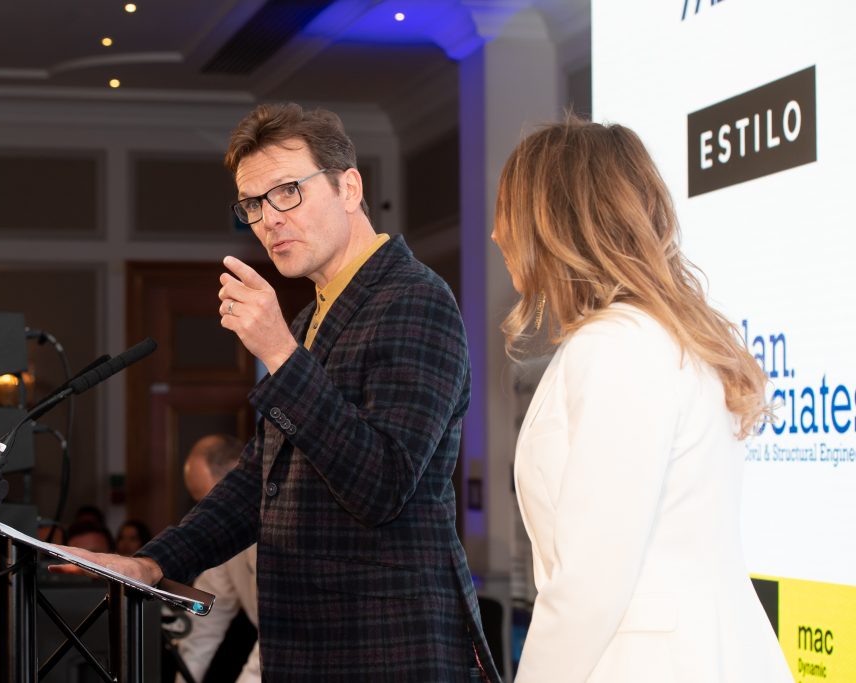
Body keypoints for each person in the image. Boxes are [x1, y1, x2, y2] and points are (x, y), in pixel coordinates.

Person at [52, 102, 500, 681]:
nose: (269, 220)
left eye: (288, 192)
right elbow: (256, 485)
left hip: (386, 647)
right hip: (310, 647)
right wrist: (153, 563)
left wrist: (281, 356)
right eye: (253, 204)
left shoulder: (414, 298)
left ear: (349, 188)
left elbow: (383, 485)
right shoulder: (309, 319)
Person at [491, 116, 792, 682]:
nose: (494, 233)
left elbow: (590, 581)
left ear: (554, 219)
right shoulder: (653, 337)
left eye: (507, 209)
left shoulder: (616, 346)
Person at [173, 434, 258, 683]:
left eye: (204, 500)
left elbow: (280, 636)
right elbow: (204, 623)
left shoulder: (276, 523)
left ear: (235, 474)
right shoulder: (223, 538)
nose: (202, 514)